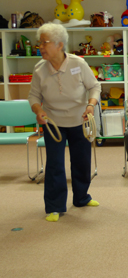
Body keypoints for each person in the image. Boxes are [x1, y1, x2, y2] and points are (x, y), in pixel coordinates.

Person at [28, 23, 101, 222]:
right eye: (39, 43)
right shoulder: (39, 69)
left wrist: (91, 105)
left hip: (80, 120)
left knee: (81, 162)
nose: (40, 46)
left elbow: (94, 87)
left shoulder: (79, 64)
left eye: (45, 42)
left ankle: (82, 198)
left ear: (60, 45)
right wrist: (39, 110)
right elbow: (33, 96)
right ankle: (54, 206)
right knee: (54, 165)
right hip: (53, 123)